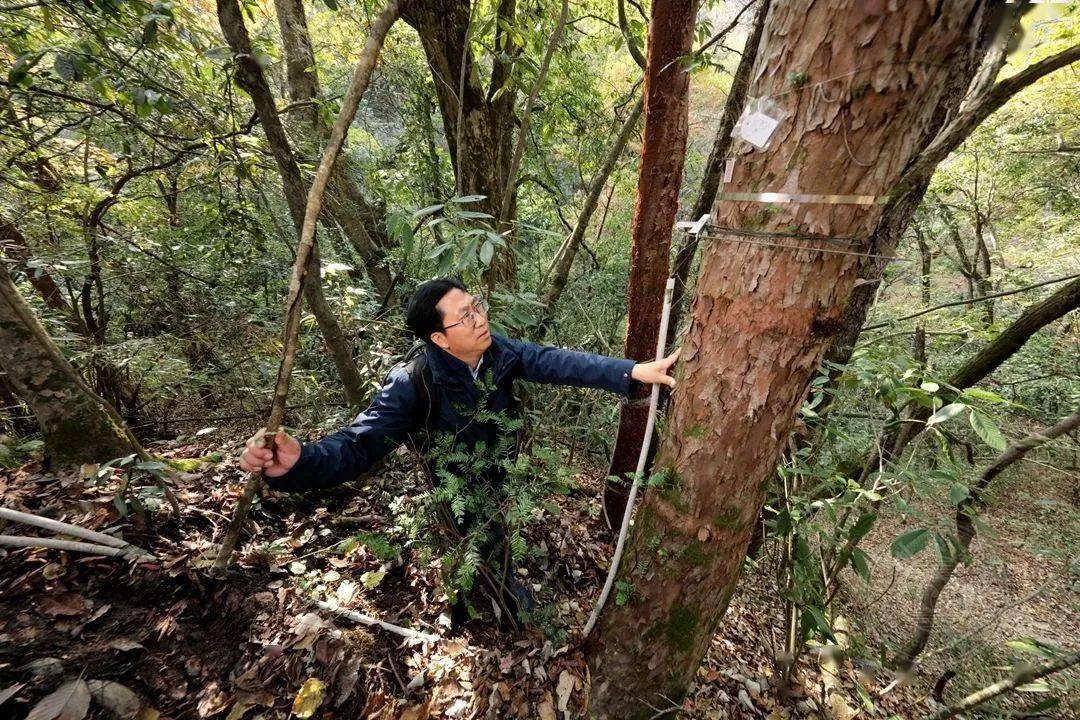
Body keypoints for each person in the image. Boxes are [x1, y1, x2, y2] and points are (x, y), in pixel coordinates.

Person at [239, 277, 678, 623]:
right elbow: (359, 445)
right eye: (464, 316)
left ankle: (489, 583)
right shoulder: (412, 382)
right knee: (472, 537)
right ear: (439, 339)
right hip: (453, 481)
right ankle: (489, 599)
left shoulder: (497, 349)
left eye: (477, 307)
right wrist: (301, 462)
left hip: (499, 464)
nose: (479, 319)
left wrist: (632, 371)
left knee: (496, 530)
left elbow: (551, 360)